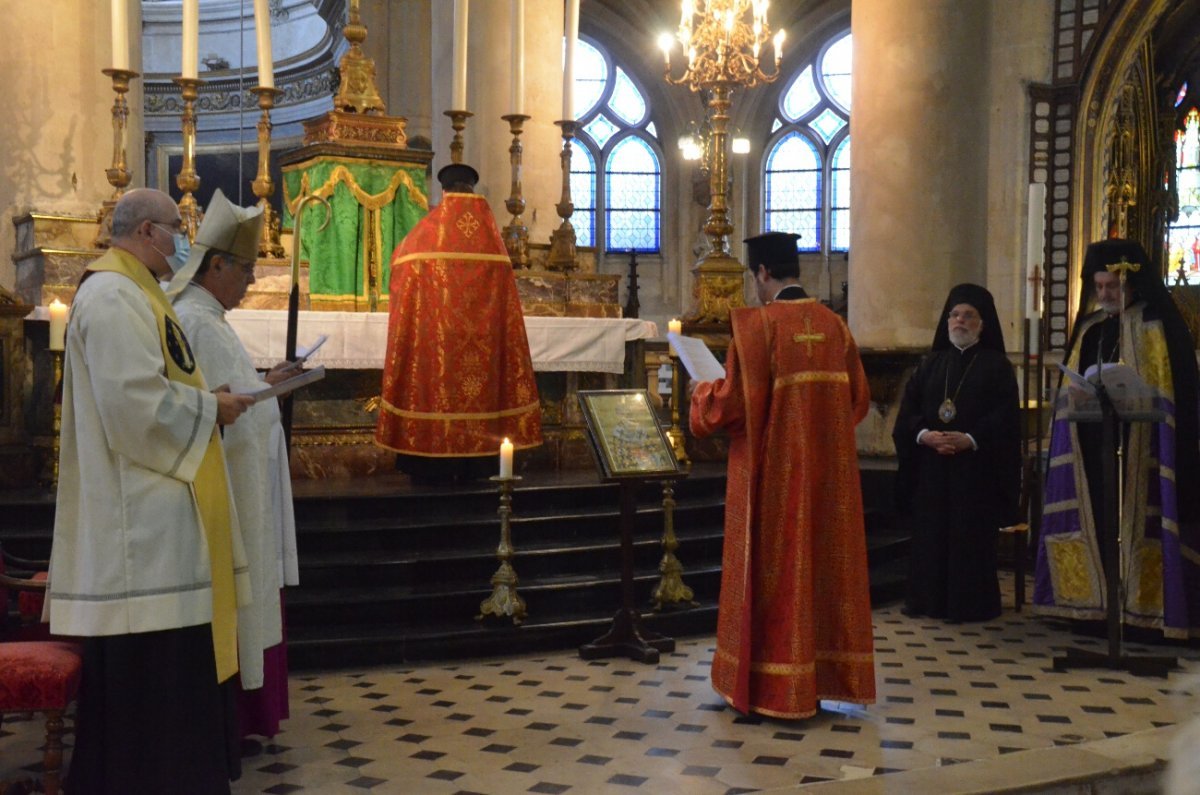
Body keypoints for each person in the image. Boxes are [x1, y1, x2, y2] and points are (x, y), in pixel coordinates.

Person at [46, 188, 255, 793]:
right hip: (140, 534)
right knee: (152, 693)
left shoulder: (139, 292)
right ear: (144, 232)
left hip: (160, 522)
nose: (180, 238)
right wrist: (209, 409)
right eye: (173, 227)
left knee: (168, 686)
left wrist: (205, 405)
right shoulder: (113, 296)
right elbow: (134, 405)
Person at [689, 231, 875, 719]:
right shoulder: (835, 326)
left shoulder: (757, 328)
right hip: (829, 481)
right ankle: (815, 682)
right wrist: (821, 433)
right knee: (820, 569)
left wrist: (701, 393)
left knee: (773, 574)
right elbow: (858, 401)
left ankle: (771, 687)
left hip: (771, 481)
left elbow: (728, 410)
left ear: (763, 274)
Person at [167, 189, 300, 742]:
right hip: (229, 485)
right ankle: (239, 715)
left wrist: (266, 384)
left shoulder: (210, 316)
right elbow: (206, 401)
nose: (250, 280)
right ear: (216, 264)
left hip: (244, 477)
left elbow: (227, 388)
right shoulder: (195, 320)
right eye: (244, 269)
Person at [1034, 238, 1200, 639]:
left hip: (1145, 447)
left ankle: (1143, 611)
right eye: (1100, 287)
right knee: (1099, 519)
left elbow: (1172, 391)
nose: (1106, 294)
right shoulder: (1090, 331)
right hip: (1093, 450)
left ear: (1132, 285)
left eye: (1113, 286)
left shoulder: (1156, 328)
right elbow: (1069, 397)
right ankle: (1093, 607)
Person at [375, 163, 542, 483]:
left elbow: (398, 275)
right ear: (472, 190)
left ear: (444, 192)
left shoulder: (422, 237)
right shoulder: (494, 244)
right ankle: (476, 467)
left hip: (435, 350)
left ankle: (429, 465)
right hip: (483, 354)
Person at [892, 283, 1021, 623]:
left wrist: (971, 439)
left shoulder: (997, 367)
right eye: (955, 315)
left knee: (969, 538)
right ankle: (928, 600)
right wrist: (925, 435)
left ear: (983, 323)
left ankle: (969, 604)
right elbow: (908, 412)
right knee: (931, 534)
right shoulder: (930, 365)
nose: (960, 321)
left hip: (975, 472)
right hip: (932, 468)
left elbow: (1006, 418)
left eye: (969, 315)